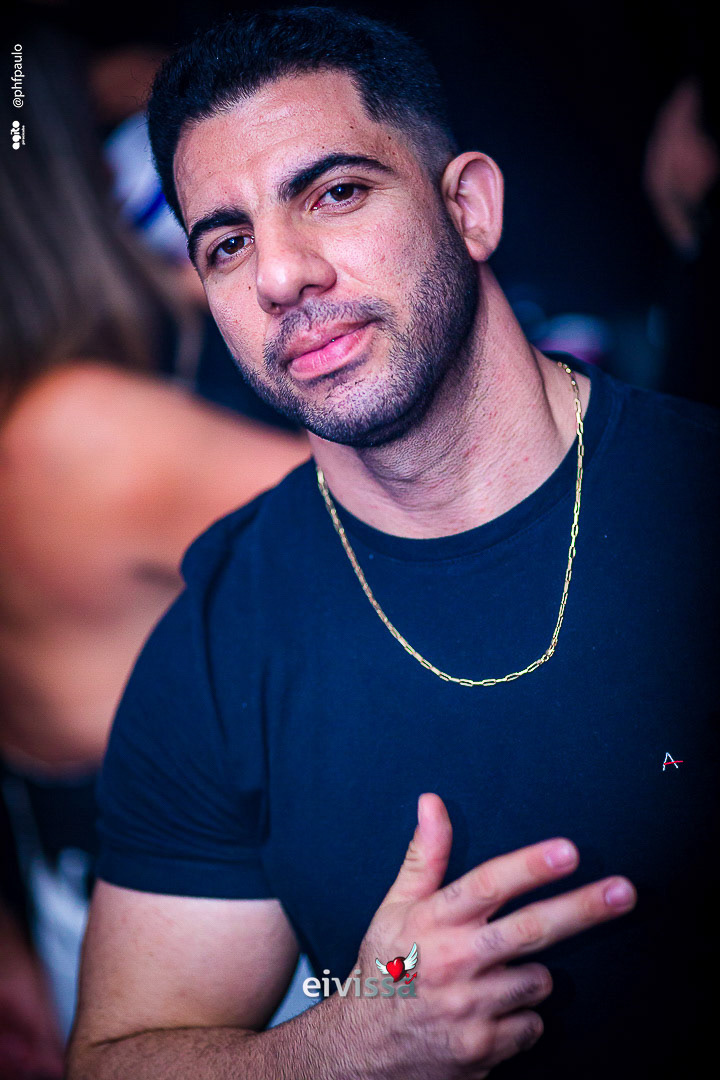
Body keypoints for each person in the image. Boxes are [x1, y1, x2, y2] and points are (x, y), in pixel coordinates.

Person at [67, 7, 719, 1079]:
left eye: (334, 193)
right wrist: (347, 1039)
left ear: (469, 207)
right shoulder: (219, 641)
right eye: (227, 243)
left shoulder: (695, 499)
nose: (280, 275)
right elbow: (114, 1058)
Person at [0, 22, 309, 1068]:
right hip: (201, 932)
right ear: (65, 185)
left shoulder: (38, 417)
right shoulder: (79, 430)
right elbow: (401, 501)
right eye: (104, 145)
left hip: (73, 892)